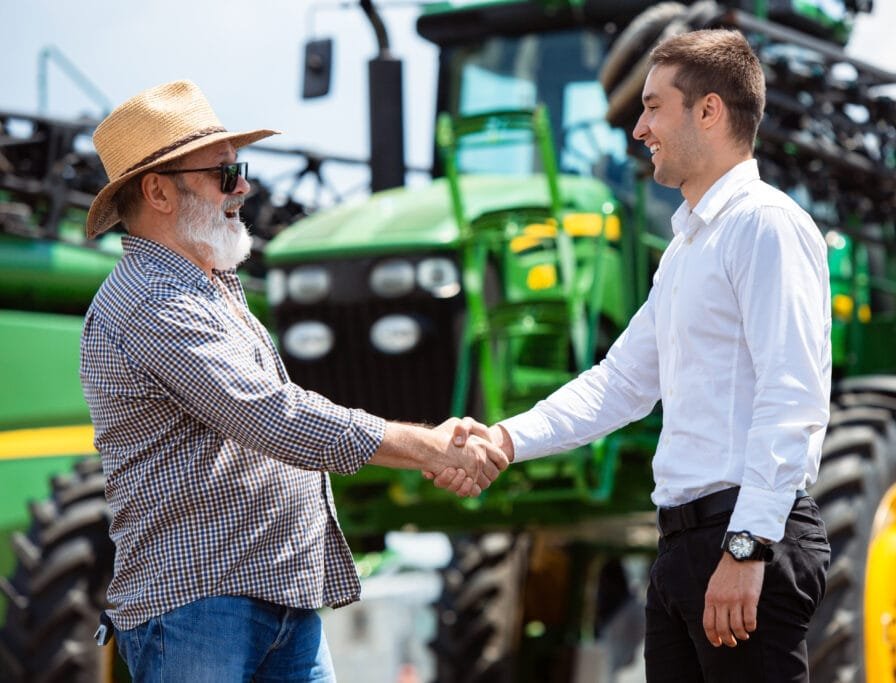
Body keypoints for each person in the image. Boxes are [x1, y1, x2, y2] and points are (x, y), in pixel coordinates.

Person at [434, 29, 832, 682]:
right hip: (682, 549)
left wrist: (746, 546)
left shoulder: (766, 225)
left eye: (652, 107)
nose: (638, 128)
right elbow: (618, 384)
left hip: (741, 539)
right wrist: (505, 439)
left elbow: (794, 395)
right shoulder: (683, 252)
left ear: (709, 110)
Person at [79, 80, 507, 682]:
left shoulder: (209, 288)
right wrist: (427, 446)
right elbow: (270, 416)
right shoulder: (154, 301)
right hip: (200, 607)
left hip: (268, 597)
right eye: (225, 174)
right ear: (157, 191)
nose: (244, 188)